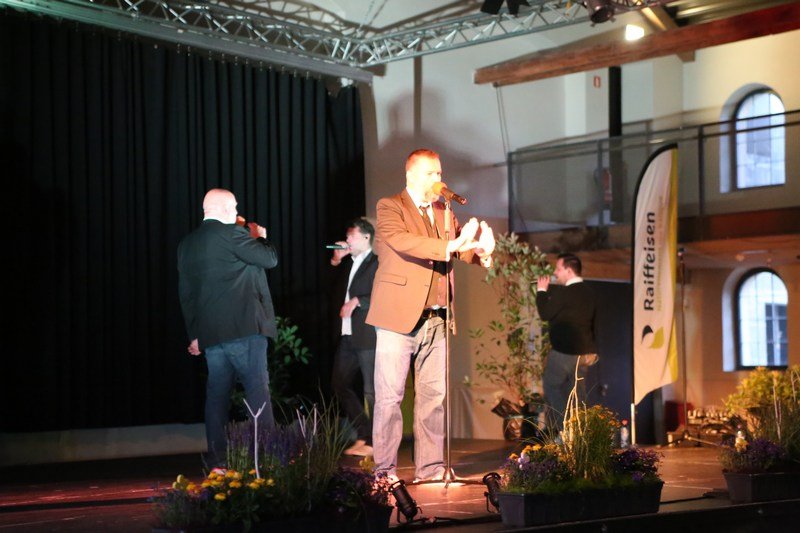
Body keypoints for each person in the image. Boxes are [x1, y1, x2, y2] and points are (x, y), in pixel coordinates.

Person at [366, 148, 496, 482]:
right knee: (390, 399)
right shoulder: (390, 206)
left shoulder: (443, 210)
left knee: (433, 399)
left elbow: (460, 248)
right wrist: (452, 246)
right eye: (429, 174)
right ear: (410, 175)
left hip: (437, 317)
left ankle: (432, 469)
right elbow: (403, 241)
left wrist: (482, 252)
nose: (437, 180)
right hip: (397, 318)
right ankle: (384, 472)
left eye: (439, 173)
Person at [177, 188, 279, 470]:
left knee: (216, 398)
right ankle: (267, 461)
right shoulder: (233, 234)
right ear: (222, 209)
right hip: (244, 329)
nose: (236, 213)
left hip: (211, 335)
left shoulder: (187, 244)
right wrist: (260, 237)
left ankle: (218, 462)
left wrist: (195, 335)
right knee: (257, 392)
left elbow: (186, 294)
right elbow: (269, 259)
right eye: (233, 207)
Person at [329, 218, 379, 457]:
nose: (347, 240)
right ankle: (363, 432)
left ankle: (376, 440)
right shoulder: (349, 263)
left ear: (366, 237)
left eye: (352, 236)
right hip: (347, 333)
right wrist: (336, 260)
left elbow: (381, 293)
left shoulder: (375, 262)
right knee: (339, 383)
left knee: (371, 390)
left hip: (367, 333)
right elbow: (335, 290)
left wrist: (359, 301)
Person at [536, 252, 598, 434]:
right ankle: (579, 434)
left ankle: (562, 430)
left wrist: (541, 291)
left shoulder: (564, 293)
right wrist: (593, 349)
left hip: (564, 351)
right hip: (584, 353)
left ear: (569, 271)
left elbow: (545, 313)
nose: (555, 273)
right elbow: (594, 322)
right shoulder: (590, 293)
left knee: (551, 386)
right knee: (577, 395)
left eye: (558, 269)